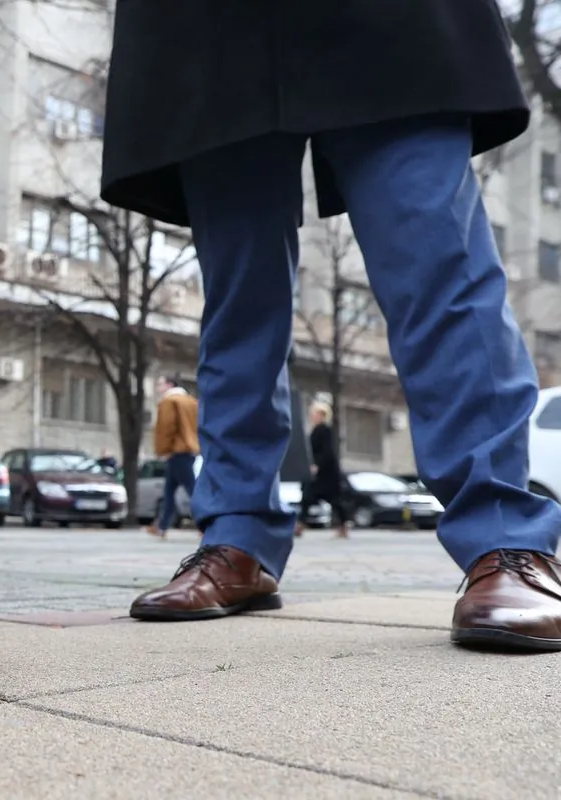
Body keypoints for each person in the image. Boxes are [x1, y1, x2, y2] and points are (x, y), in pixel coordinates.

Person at [104, 2, 561, 651]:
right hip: (206, 23)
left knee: (434, 254)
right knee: (238, 293)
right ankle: (238, 535)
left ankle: (505, 536)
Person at [148, 375, 199, 539]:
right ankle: (162, 526)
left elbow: (166, 428)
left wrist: (163, 449)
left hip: (177, 450)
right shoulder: (191, 401)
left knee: (193, 490)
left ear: (169, 385)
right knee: (169, 490)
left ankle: (206, 523)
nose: (158, 387)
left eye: (160, 384)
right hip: (189, 448)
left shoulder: (169, 402)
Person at [295, 402, 349, 540]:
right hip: (317, 474)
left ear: (322, 415)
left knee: (334, 501)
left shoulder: (325, 430)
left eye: (315, 414)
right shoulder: (315, 430)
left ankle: (343, 526)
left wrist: (317, 465)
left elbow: (327, 451)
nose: (312, 416)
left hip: (326, 473)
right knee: (306, 498)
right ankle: (300, 525)